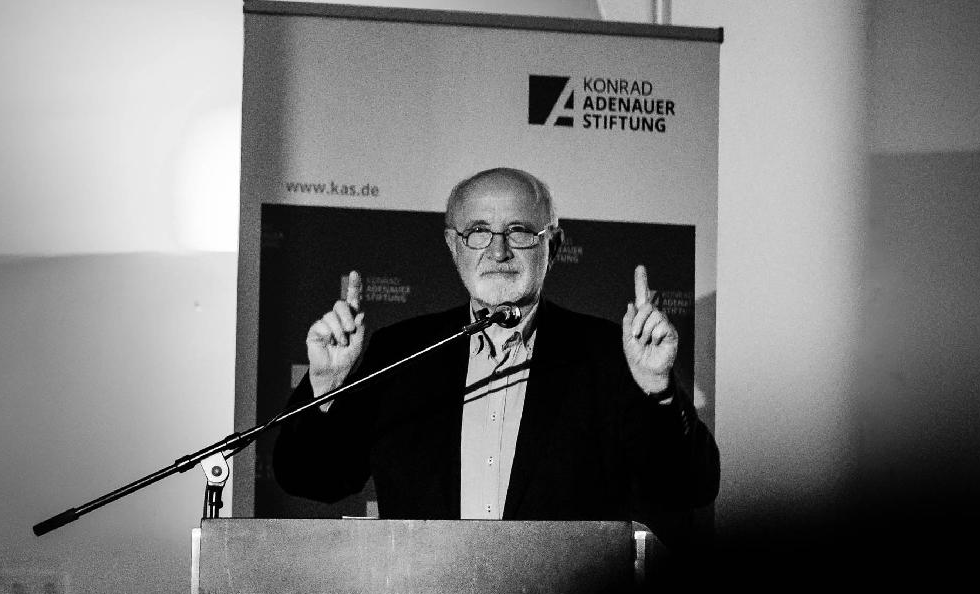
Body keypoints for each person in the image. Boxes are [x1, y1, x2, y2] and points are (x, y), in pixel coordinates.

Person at [272, 167, 719, 532]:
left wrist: (658, 390)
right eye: (478, 232)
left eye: (519, 231)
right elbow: (311, 478)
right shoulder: (401, 352)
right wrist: (324, 390)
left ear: (553, 246)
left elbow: (689, 487)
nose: (498, 250)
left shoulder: (608, 354)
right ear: (453, 246)